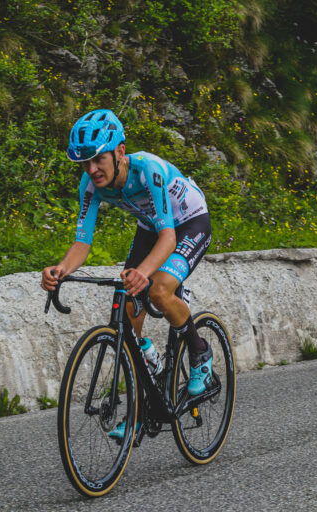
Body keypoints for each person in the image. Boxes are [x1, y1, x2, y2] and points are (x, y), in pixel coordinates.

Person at [41, 109, 213, 436]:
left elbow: (169, 237)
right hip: (153, 226)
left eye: (98, 160)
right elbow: (82, 242)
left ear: (120, 152)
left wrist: (144, 274)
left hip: (189, 222)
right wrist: (60, 270)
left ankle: (200, 352)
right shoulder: (90, 184)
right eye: (84, 163)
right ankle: (139, 407)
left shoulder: (148, 171)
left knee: (159, 290)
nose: (92, 170)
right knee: (127, 308)